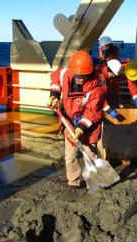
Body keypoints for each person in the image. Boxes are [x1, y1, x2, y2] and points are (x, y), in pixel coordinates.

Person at [47, 50, 107, 188]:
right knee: (69, 156)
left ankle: (93, 182)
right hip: (68, 120)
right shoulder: (64, 73)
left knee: (90, 155)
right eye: (78, 76)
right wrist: (54, 94)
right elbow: (56, 78)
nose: (80, 79)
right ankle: (73, 181)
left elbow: (93, 112)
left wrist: (81, 128)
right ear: (72, 71)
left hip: (88, 125)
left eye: (84, 77)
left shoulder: (97, 86)